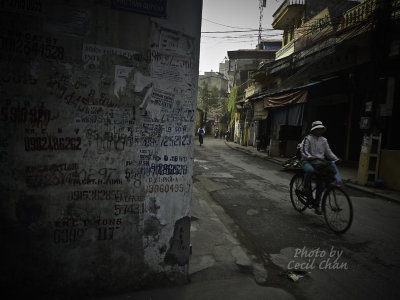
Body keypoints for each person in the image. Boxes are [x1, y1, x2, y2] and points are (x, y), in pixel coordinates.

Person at [300, 121, 340, 215]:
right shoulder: (308, 138)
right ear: (314, 130)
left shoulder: (324, 140)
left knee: (321, 185)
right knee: (310, 170)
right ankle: (305, 187)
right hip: (307, 161)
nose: (319, 131)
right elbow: (304, 150)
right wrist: (309, 156)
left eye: (321, 129)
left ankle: (317, 205)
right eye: (318, 129)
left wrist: (336, 159)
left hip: (320, 163)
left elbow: (328, 152)